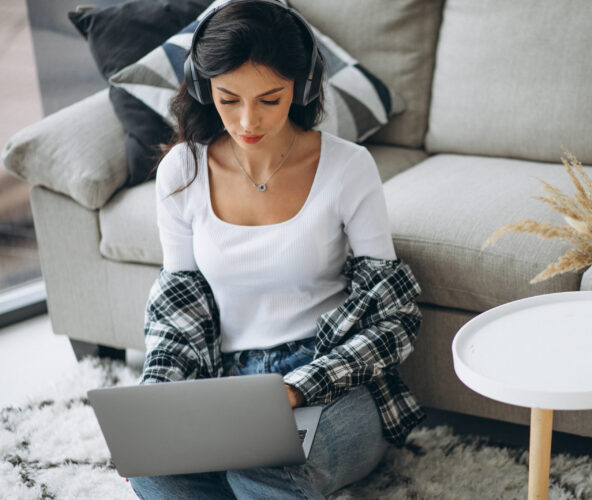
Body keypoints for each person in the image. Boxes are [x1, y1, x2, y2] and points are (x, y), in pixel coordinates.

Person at [129, 1, 425, 498]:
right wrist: (158, 404)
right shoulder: (182, 171)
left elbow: (391, 316)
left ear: (303, 87)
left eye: (270, 99)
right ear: (203, 90)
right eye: (229, 99)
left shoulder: (349, 167)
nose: (248, 121)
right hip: (228, 383)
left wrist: (299, 388)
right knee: (153, 470)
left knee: (261, 470)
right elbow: (177, 307)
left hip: (333, 378)